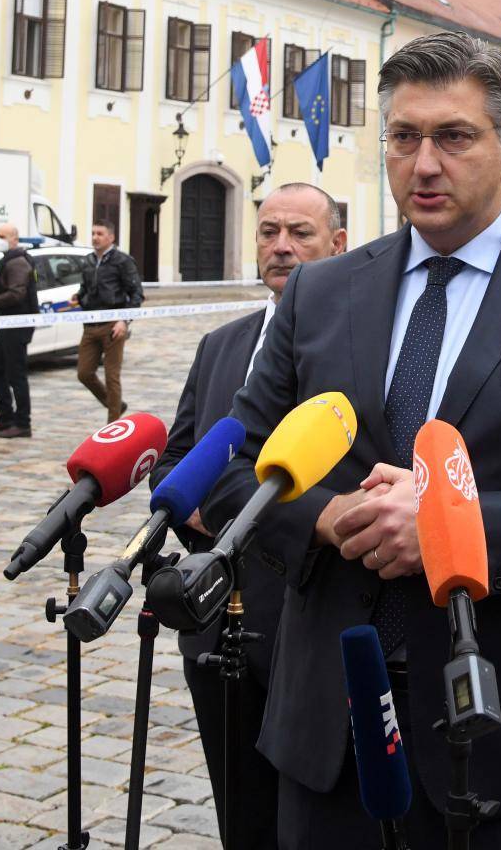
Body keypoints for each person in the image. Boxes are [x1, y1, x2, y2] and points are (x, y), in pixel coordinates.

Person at [204, 32, 501, 849]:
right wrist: (325, 519)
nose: (423, 164)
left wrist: (444, 524)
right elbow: (230, 472)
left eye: (452, 137)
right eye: (403, 137)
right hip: (331, 723)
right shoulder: (320, 293)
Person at [152, 183, 347, 848]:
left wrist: (257, 516)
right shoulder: (220, 345)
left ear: (337, 246)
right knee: (242, 817)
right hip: (220, 623)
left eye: (300, 232)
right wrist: (205, 511)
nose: (281, 246)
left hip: (309, 619)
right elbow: (178, 457)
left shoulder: (355, 350)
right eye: (269, 232)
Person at [74, 219, 143, 421]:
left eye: (100, 234)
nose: (95, 237)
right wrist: (79, 298)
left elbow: (136, 293)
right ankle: (116, 405)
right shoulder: (88, 261)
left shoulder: (122, 261)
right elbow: (85, 289)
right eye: (93, 233)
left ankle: (112, 424)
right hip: (90, 325)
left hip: (113, 326)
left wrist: (124, 320)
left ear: (111, 237)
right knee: (84, 373)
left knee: (112, 377)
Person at [0, 224, 38, 438]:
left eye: (3, 236)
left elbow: (16, 295)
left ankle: (22, 422)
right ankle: (6, 416)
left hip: (17, 323)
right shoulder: (10, 258)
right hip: (9, 323)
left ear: (15, 239)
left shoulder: (17, 262)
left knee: (16, 374)